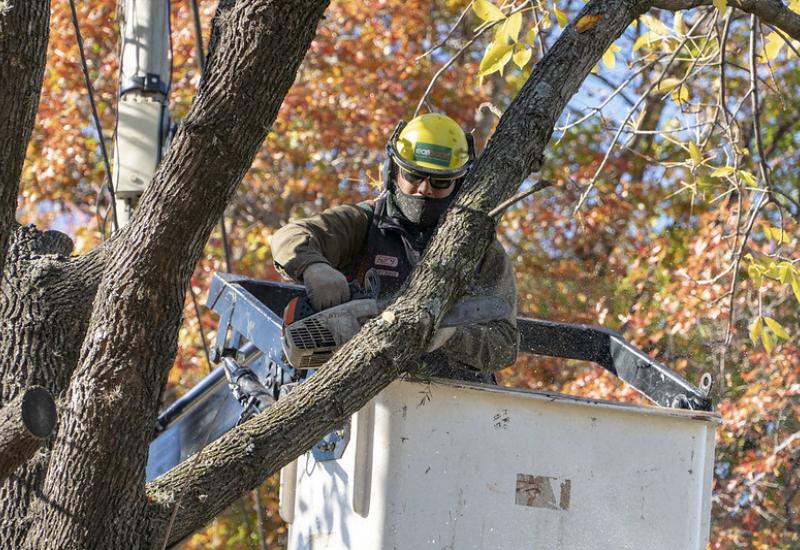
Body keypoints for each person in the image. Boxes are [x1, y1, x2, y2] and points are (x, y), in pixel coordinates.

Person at [270, 113, 518, 382]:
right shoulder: (366, 221)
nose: (424, 189)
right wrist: (314, 267)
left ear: (458, 182)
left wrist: (452, 336)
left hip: (454, 394)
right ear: (395, 170)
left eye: (439, 181)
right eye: (414, 175)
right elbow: (289, 236)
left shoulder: (481, 248)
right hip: (361, 382)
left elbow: (505, 346)